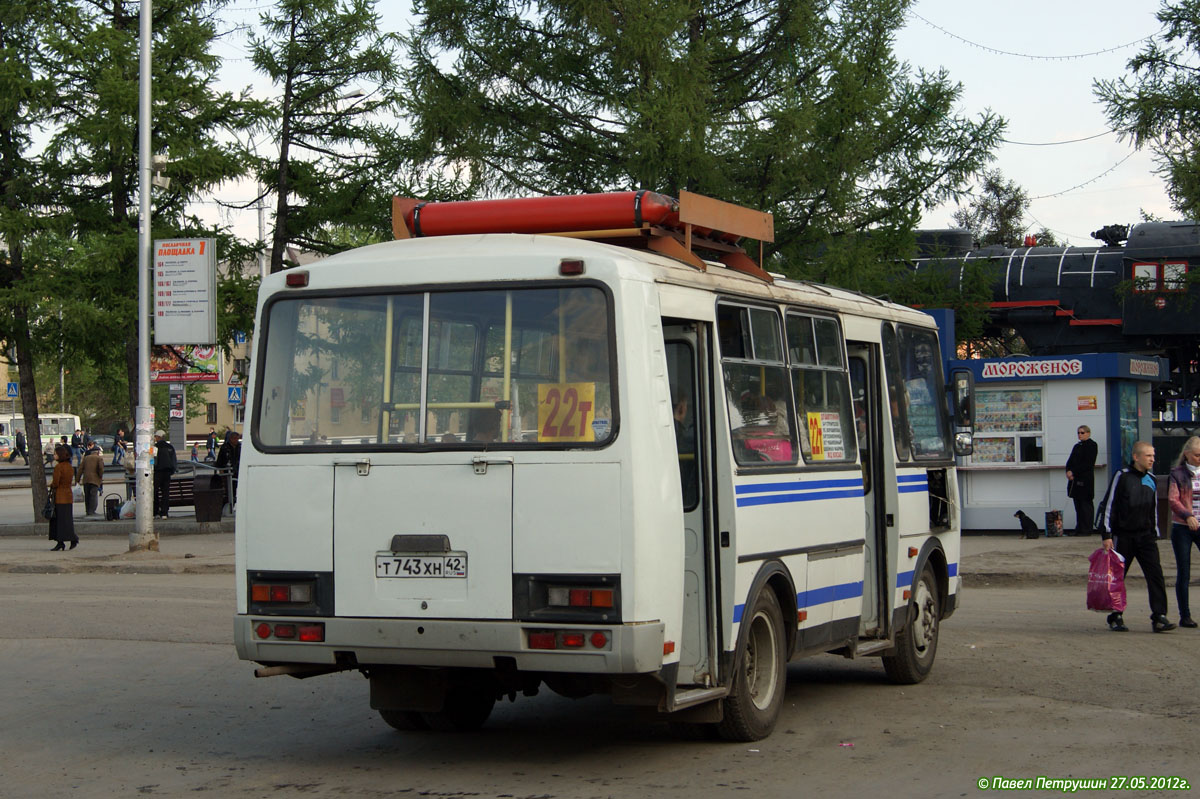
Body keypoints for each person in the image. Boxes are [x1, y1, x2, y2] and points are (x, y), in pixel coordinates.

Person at [1097, 440, 1175, 633]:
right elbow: (1110, 504)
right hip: (1123, 536)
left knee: (1155, 575)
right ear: (1136, 457)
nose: (1152, 459)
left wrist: (1155, 532)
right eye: (1148, 456)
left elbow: (1154, 508)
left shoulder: (1152, 479)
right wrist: (1106, 534)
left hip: (1146, 537)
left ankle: (1159, 616)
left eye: (1153, 456)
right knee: (1117, 577)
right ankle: (1115, 615)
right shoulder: (1121, 476)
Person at [1166, 436, 1200, 628]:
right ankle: (1185, 615)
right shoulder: (1177, 474)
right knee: (1184, 572)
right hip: (1182, 527)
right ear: (1187, 455)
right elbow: (1173, 500)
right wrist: (1187, 515)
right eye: (1196, 455)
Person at [1065, 424, 1099, 536]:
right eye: (1078, 433)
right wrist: (1068, 471)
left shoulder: (1092, 445)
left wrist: (1074, 471)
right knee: (1077, 504)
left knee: (1086, 505)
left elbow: (1088, 463)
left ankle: (1087, 529)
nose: (1080, 435)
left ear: (1088, 433)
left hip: (1085, 480)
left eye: (1082, 432)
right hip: (1075, 480)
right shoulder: (1077, 446)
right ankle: (1079, 528)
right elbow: (1070, 461)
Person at [48, 445, 78, 551]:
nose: (54, 455)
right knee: (67, 520)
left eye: (55, 454)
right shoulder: (69, 467)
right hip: (68, 495)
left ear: (59, 455)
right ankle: (71, 539)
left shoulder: (58, 467)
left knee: (59, 521)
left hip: (60, 496)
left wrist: (51, 485)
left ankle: (61, 542)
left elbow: (56, 482)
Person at [152, 430, 177, 519]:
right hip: (167, 472)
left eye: (155, 437)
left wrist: (152, 469)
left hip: (157, 472)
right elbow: (174, 461)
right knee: (165, 493)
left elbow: (152, 460)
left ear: (158, 437)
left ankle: (155, 512)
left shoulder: (154, 447)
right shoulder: (170, 447)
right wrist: (172, 470)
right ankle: (164, 512)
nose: (154, 438)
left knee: (154, 492)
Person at [76, 443, 105, 517]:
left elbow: (80, 469)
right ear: (97, 452)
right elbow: (101, 469)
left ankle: (88, 511)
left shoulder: (86, 458)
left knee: (87, 495)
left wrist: (77, 479)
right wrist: (100, 476)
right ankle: (92, 511)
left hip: (86, 479)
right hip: (95, 480)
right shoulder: (99, 459)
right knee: (93, 495)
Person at [215, 431, 241, 506]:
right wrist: (222, 473)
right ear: (231, 439)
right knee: (228, 490)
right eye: (235, 438)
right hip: (228, 473)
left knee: (236, 489)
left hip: (237, 472)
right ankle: (229, 504)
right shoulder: (225, 447)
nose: (236, 440)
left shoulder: (240, 447)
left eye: (237, 438)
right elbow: (220, 462)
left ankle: (234, 503)